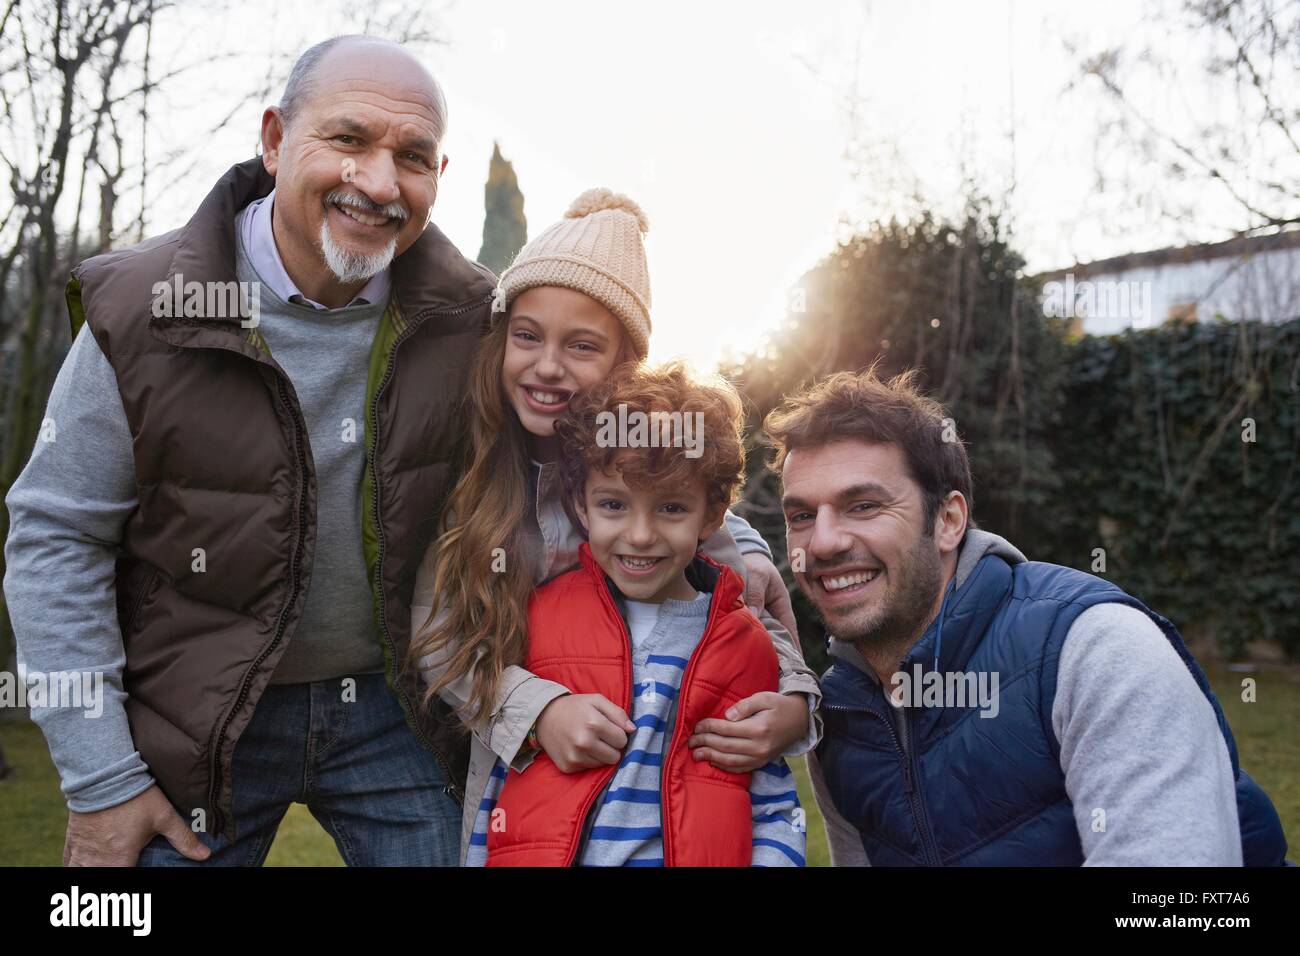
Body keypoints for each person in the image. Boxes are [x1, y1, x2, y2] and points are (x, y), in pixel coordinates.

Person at [4, 34, 493, 866]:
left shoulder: (477, 320)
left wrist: (732, 546)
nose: (378, 182)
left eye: (413, 156)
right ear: (274, 141)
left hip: (399, 707)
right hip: (194, 710)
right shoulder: (144, 309)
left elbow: (601, 453)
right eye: (347, 139)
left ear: (437, 180)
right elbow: (56, 536)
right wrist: (100, 780)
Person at [409, 189, 821, 863]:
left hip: (665, 782)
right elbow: (440, 634)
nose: (547, 366)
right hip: (525, 763)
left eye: (582, 345)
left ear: (623, 365)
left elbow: (740, 616)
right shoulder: (472, 484)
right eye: (527, 336)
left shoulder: (655, 482)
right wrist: (538, 710)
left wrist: (796, 703)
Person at [763, 367, 1288, 866]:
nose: (824, 542)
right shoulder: (839, 716)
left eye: (864, 506)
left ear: (948, 521)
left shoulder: (1093, 647)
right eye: (802, 516)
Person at [466, 361, 805, 866]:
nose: (641, 535)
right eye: (614, 505)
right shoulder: (537, 620)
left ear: (712, 516)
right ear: (581, 506)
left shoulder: (743, 645)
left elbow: (774, 804)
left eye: (670, 508)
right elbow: (498, 794)